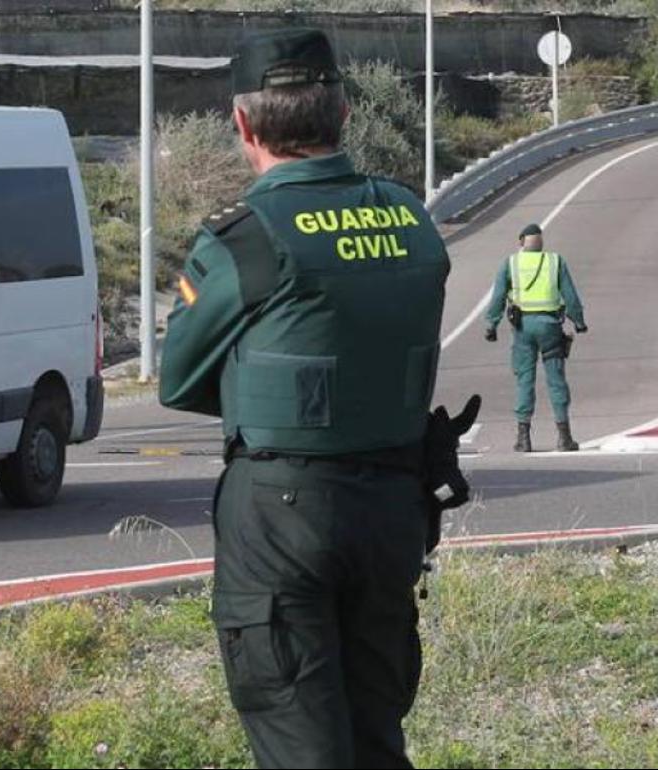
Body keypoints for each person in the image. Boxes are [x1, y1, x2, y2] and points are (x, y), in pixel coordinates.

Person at [158, 28, 473, 769]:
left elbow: (177, 378)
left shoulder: (244, 237)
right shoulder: (409, 218)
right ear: (346, 114)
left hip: (281, 511)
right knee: (375, 736)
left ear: (242, 125)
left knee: (300, 738)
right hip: (394, 506)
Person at [484, 223, 587, 452]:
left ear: (521, 242)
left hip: (522, 328)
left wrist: (491, 325)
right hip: (550, 327)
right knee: (556, 380)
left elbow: (498, 296)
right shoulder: (555, 261)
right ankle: (564, 437)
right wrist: (579, 322)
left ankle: (524, 438)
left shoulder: (511, 263)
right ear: (541, 243)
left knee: (524, 379)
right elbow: (570, 296)